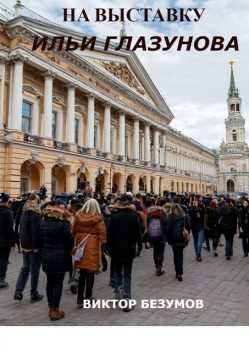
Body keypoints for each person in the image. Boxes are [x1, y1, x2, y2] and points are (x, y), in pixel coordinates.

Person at [107, 194, 142, 311]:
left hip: (115, 249)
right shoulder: (133, 216)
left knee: (117, 272)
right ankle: (127, 299)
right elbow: (138, 233)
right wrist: (139, 246)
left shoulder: (114, 217)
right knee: (127, 273)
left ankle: (118, 295)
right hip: (129, 248)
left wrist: (108, 249)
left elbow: (109, 234)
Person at [40, 204, 73, 321]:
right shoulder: (62, 225)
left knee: (50, 282)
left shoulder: (43, 224)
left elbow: (40, 241)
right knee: (58, 283)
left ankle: (50, 307)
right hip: (60, 257)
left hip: (47, 257)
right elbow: (70, 242)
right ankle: (55, 310)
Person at [72, 198, 106, 307]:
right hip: (93, 246)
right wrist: (104, 247)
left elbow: (73, 231)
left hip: (81, 245)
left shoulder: (78, 217)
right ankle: (88, 297)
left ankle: (79, 298)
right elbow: (103, 235)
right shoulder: (98, 219)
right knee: (90, 273)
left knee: (82, 273)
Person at [14, 193, 43, 302]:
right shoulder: (35, 213)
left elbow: (21, 229)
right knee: (34, 269)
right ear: (36, 200)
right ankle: (33, 293)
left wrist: (21, 244)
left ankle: (18, 291)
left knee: (25, 268)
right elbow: (35, 231)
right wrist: (36, 246)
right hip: (33, 246)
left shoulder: (24, 212)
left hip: (25, 245)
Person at [166, 203, 190, 282]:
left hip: (174, 239)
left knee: (176, 255)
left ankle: (178, 272)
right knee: (180, 254)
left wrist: (168, 238)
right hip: (182, 238)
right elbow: (188, 227)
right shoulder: (184, 216)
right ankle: (179, 271)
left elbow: (168, 228)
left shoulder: (170, 216)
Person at [147, 199, 167, 276]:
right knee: (161, 252)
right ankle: (159, 267)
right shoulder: (163, 214)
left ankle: (156, 267)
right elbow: (166, 225)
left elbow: (148, 225)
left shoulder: (150, 215)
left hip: (153, 235)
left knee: (155, 251)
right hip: (161, 236)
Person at [0, 193, 15, 288]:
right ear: (8, 201)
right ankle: (1, 280)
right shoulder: (8, 212)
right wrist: (13, 242)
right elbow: (10, 229)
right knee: (4, 260)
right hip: (5, 241)